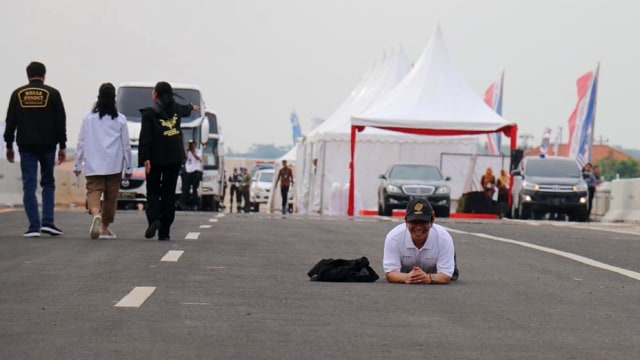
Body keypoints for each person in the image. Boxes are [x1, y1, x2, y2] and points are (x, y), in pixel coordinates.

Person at [3, 61, 67, 237]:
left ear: (27, 75)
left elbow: (11, 121)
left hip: (26, 146)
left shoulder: (17, 94)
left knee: (29, 185)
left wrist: (8, 144)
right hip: (48, 146)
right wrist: (62, 145)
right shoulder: (53, 94)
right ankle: (48, 222)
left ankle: (33, 227)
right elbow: (60, 121)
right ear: (44, 75)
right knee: (48, 183)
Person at [139, 81, 199, 240]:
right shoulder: (177, 109)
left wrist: (145, 158)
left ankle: (155, 219)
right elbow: (186, 110)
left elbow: (145, 138)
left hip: (155, 159)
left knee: (153, 191)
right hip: (173, 158)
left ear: (156, 95)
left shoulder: (149, 113)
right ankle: (164, 232)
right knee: (168, 193)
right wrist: (192, 107)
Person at [73, 83, 133, 239]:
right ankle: (105, 227)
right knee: (110, 197)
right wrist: (128, 167)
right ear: (114, 99)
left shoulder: (88, 118)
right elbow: (126, 145)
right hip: (114, 164)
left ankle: (95, 214)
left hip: (93, 163)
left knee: (93, 191)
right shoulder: (120, 119)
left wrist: (78, 164)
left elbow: (81, 142)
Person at [383, 199, 456, 284]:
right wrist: (406, 277)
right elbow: (390, 273)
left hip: (433, 274)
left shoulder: (444, 238)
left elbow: (446, 275)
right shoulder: (393, 238)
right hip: (406, 273)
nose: (418, 227)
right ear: (406, 221)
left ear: (432, 221)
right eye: (414, 222)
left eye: (423, 222)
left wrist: (429, 278)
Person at [181, 140, 203, 210]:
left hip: (195, 171)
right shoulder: (188, 152)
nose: (191, 146)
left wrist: (193, 152)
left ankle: (195, 204)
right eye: (190, 144)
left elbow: (198, 158)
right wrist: (187, 151)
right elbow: (185, 158)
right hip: (188, 171)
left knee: (194, 189)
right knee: (186, 189)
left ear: (195, 144)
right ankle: (186, 204)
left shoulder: (198, 151)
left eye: (192, 144)